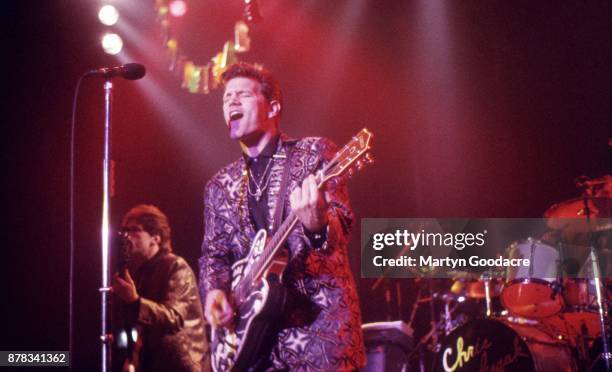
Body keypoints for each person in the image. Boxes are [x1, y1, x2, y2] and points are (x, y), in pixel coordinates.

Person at [198, 62, 365, 371]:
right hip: (253, 348)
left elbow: (342, 225)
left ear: (273, 106)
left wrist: (317, 225)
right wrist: (214, 294)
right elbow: (213, 255)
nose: (230, 102)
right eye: (226, 97)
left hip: (317, 336)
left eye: (242, 95)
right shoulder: (219, 186)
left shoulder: (314, 153)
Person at [112, 204, 210, 372]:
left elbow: (174, 318)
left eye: (134, 230)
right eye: (124, 230)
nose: (126, 236)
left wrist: (135, 302)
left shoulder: (176, 266)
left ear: (155, 238)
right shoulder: (142, 272)